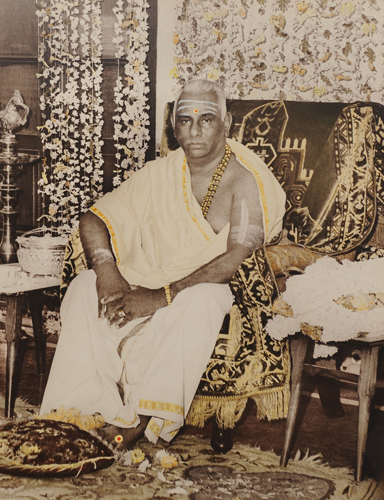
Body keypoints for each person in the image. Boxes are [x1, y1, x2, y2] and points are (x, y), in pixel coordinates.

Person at [40, 79, 286, 451]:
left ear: (226, 123)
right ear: (174, 126)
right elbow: (93, 219)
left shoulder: (246, 181)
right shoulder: (160, 173)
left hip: (211, 288)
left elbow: (236, 258)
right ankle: (80, 411)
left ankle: (137, 422)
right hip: (148, 277)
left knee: (200, 301)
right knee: (83, 286)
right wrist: (107, 272)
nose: (195, 129)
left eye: (207, 119)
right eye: (185, 120)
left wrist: (160, 296)